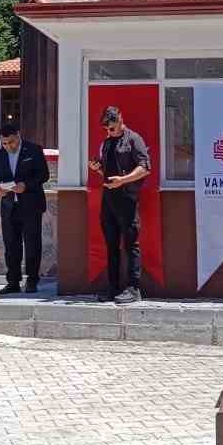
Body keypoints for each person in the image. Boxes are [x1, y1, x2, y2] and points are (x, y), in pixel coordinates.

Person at [90, 105, 150, 304]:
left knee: (131, 243)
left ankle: (134, 289)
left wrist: (123, 181)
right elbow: (107, 171)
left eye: (112, 128)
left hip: (126, 197)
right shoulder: (106, 143)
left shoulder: (134, 139)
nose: (109, 132)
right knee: (111, 245)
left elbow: (145, 168)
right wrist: (97, 169)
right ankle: (113, 287)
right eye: (107, 129)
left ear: (120, 120)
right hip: (108, 198)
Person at [0, 126, 49, 296]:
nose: (8, 146)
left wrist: (26, 185)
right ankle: (13, 281)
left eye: (11, 142)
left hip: (31, 205)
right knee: (11, 245)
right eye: (4, 143)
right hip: (9, 207)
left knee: (32, 243)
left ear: (19, 136)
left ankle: (32, 280)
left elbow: (44, 175)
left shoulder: (34, 150)